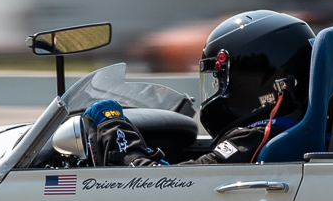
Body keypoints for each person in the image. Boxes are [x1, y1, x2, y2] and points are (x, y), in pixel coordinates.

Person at [83, 10, 315, 167]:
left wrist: (114, 127)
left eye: (221, 80)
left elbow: (153, 183)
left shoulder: (258, 136)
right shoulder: (295, 130)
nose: (217, 89)